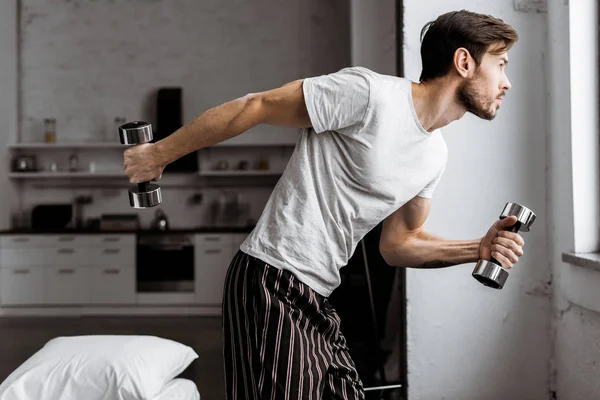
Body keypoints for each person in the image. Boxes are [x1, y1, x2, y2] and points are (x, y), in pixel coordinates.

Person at [123, 9, 525, 400]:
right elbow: (256, 105)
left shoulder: (434, 155)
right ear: (464, 62)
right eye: (501, 64)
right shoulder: (369, 95)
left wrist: (478, 248)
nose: (506, 82)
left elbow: (399, 243)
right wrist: (159, 154)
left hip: (317, 294)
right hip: (269, 279)